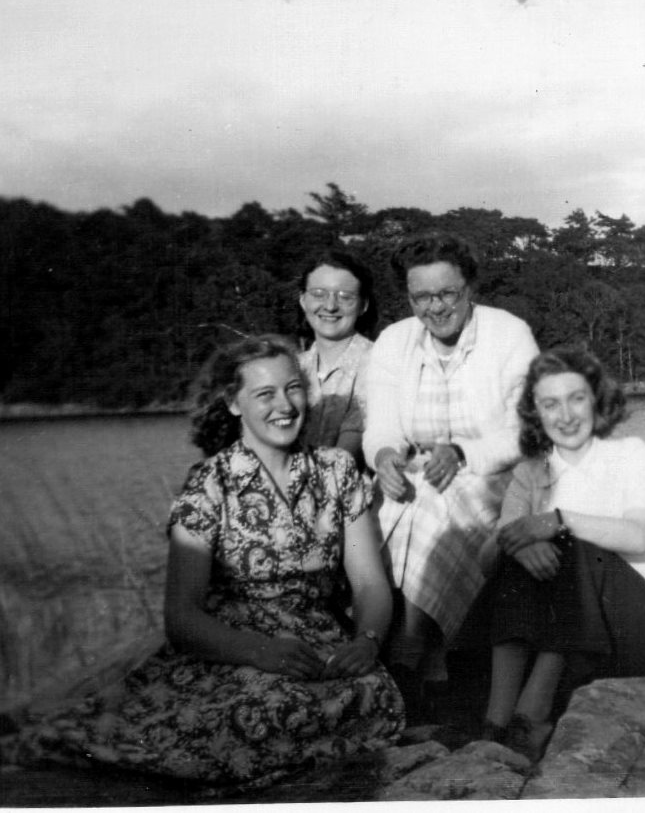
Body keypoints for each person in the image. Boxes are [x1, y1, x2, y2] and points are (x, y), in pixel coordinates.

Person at [8, 335, 403, 787]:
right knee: (266, 711)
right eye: (265, 394)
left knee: (371, 694)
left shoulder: (336, 471)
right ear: (234, 404)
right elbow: (181, 617)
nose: (285, 405)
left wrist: (366, 642)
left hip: (319, 646)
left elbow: (371, 584)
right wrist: (262, 652)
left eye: (293, 388)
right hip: (233, 649)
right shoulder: (209, 485)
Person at [363, 231, 538, 714]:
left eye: (446, 294)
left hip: (493, 473)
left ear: (470, 289)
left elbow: (527, 433)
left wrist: (461, 453)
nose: (435, 308)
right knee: (376, 511)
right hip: (417, 473)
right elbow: (380, 428)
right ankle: (414, 659)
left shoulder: (509, 333)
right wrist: (383, 458)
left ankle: (407, 654)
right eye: (422, 296)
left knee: (435, 505)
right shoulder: (394, 342)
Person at [480, 346, 645, 760]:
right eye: (550, 404)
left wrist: (557, 520)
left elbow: (636, 537)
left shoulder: (628, 455)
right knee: (517, 549)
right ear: (535, 413)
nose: (565, 416)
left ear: (597, 400)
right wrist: (522, 545)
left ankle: (531, 713)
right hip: (572, 636)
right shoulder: (532, 470)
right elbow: (497, 547)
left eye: (576, 399)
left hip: (634, 625)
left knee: (571, 543)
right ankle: (496, 724)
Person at [296, 248, 377, 461]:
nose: (330, 306)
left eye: (345, 297)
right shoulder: (292, 368)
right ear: (303, 300)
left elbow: (345, 456)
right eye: (318, 294)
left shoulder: (380, 363)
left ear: (363, 305)